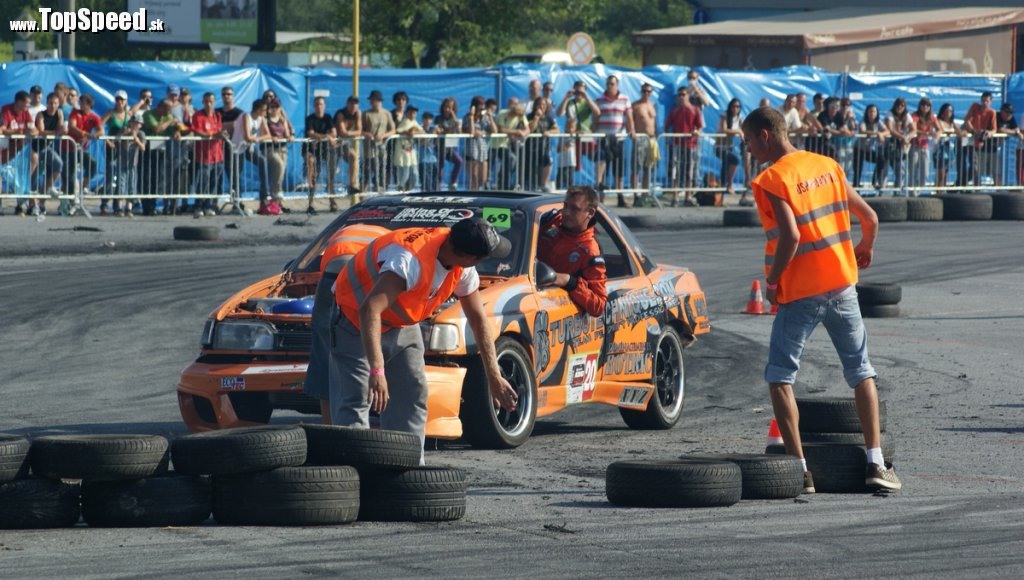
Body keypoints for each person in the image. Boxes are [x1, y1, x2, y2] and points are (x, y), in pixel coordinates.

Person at [741, 106, 901, 494]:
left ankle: (800, 471)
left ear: (765, 135)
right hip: (843, 286)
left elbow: (791, 237)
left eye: (747, 141)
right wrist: (865, 246)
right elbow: (871, 219)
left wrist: (773, 280)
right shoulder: (827, 164)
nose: (747, 149)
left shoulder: (772, 177)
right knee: (861, 372)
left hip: (800, 292)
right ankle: (876, 462)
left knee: (780, 377)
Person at [328, 217, 520, 463]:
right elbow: (369, 310)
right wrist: (377, 370)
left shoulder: (461, 264)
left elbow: (478, 320)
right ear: (470, 257)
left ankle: (406, 474)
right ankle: (352, 482)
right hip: (355, 323)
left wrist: (494, 377)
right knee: (356, 401)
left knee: (412, 397)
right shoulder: (409, 260)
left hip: (401, 325)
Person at [306, 223, 391, 423]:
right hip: (371, 277)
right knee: (389, 341)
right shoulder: (393, 238)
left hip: (332, 276)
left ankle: (330, 426)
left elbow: (320, 265)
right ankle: (388, 417)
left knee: (326, 354)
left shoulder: (342, 229)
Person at [536, 185, 607, 317]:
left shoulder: (590, 251)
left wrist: (570, 282)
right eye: (565, 206)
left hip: (554, 310)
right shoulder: (551, 220)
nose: (566, 212)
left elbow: (599, 305)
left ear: (590, 213)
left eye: (574, 209)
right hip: (526, 289)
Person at [594, 75, 636, 205]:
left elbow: (629, 116)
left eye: (612, 84)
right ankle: (601, 200)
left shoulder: (625, 99)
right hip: (603, 139)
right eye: (608, 83)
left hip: (619, 139)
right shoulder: (599, 100)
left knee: (619, 170)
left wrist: (632, 129)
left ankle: (620, 198)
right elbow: (595, 118)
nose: (610, 86)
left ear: (617, 85)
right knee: (602, 169)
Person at [231, 98, 272, 214]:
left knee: (262, 161)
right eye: (264, 110)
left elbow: (267, 134)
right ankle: (236, 202)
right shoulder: (246, 116)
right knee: (237, 175)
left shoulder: (261, 119)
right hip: (237, 148)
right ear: (259, 110)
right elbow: (247, 136)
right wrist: (256, 138)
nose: (266, 112)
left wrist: (257, 138)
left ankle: (264, 195)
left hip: (249, 148)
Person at [665, 86, 703, 207]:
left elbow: (700, 126)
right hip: (677, 145)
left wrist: (696, 132)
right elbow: (667, 125)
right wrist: (667, 139)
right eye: (679, 95)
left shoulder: (695, 109)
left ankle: (688, 197)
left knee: (689, 172)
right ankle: (675, 197)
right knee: (675, 171)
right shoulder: (674, 110)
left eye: (683, 94)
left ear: (688, 96)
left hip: (690, 145)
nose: (681, 97)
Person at [189, 92, 224, 217]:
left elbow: (219, 131)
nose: (209, 104)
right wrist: (212, 135)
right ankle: (198, 206)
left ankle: (209, 205)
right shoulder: (198, 115)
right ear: (203, 102)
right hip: (204, 155)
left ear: (214, 102)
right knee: (203, 181)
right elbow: (197, 131)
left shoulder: (217, 116)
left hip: (218, 154)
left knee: (214, 182)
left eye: (211, 101)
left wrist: (222, 135)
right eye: (206, 101)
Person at [100, 90, 132, 215]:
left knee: (121, 176)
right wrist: (107, 141)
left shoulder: (128, 115)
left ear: (125, 101)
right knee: (109, 175)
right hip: (112, 147)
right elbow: (100, 125)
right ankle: (104, 203)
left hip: (123, 149)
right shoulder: (111, 113)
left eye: (122, 100)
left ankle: (117, 205)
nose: (120, 102)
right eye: (118, 99)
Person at [304, 96, 338, 211]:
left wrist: (325, 137)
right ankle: (311, 204)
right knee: (314, 176)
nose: (319, 106)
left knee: (331, 176)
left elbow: (334, 132)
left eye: (321, 104)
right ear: (314, 106)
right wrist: (326, 136)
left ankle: (332, 201)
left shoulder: (328, 117)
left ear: (324, 106)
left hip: (326, 150)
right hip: (313, 151)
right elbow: (311, 133)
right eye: (317, 104)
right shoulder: (310, 119)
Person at [361, 90, 395, 193]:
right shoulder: (366, 114)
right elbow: (360, 130)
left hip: (381, 149)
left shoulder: (387, 114)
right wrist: (365, 134)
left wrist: (383, 135)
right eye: (370, 100)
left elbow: (393, 130)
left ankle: (380, 197)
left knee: (380, 175)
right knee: (366, 175)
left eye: (373, 100)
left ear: (379, 101)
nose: (371, 102)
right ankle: (361, 199)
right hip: (369, 150)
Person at [265, 99, 294, 212]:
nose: (274, 109)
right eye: (272, 106)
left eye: (276, 106)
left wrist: (290, 136)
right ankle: (277, 194)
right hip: (270, 149)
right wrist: (271, 138)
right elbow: (265, 133)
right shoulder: (266, 120)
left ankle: (276, 202)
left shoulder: (282, 119)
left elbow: (287, 133)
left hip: (282, 148)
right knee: (279, 165)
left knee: (278, 176)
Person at [630, 83, 658, 196]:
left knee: (649, 168)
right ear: (641, 91)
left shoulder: (653, 105)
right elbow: (631, 121)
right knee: (637, 167)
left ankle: (645, 194)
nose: (646, 93)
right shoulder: (635, 105)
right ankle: (636, 194)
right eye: (644, 91)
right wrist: (632, 131)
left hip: (652, 139)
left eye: (649, 91)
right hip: (640, 138)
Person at [334, 96, 363, 201]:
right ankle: (332, 200)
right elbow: (341, 132)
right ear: (347, 104)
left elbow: (359, 131)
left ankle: (352, 184)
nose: (353, 106)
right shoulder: (341, 114)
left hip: (343, 143)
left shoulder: (358, 113)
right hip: (333, 145)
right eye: (351, 104)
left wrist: (349, 133)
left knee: (354, 157)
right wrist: (350, 134)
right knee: (332, 172)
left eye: (355, 104)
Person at [216, 86, 243, 197]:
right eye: (224, 94)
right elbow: (213, 127)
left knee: (234, 177)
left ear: (233, 96)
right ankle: (214, 204)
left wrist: (221, 126)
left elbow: (238, 127)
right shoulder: (216, 112)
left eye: (229, 94)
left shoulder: (239, 113)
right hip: (217, 149)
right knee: (216, 177)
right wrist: (230, 125)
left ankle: (237, 203)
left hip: (234, 149)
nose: (226, 96)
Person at [463, 95, 494, 190]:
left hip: (483, 150)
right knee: (474, 177)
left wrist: (490, 117)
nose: (482, 107)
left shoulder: (485, 117)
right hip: (472, 150)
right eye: (479, 105)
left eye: (483, 105)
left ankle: (480, 194)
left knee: (483, 179)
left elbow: (494, 130)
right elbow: (472, 132)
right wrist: (472, 117)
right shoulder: (467, 117)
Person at [717, 98, 744, 202]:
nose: (735, 108)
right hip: (720, 147)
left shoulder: (739, 118)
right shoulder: (724, 116)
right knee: (734, 160)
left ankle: (724, 188)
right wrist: (738, 131)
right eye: (733, 106)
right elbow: (724, 129)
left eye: (738, 106)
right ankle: (729, 184)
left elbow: (744, 128)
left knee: (726, 164)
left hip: (729, 147)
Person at [394, 106, 423, 191]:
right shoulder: (405, 121)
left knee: (415, 174)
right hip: (403, 152)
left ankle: (408, 190)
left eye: (414, 113)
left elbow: (422, 131)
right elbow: (399, 130)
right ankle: (401, 190)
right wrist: (408, 132)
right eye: (411, 112)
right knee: (404, 175)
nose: (413, 114)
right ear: (407, 113)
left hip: (411, 152)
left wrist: (414, 132)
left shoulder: (414, 122)